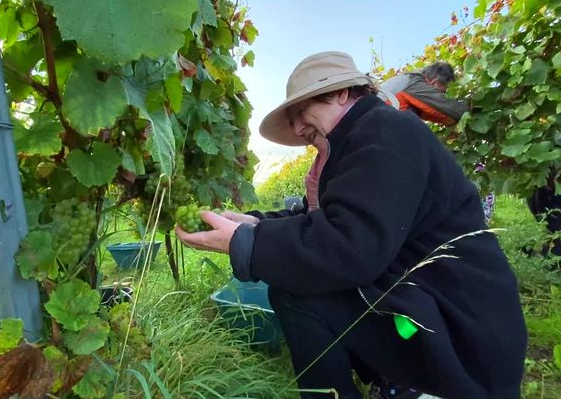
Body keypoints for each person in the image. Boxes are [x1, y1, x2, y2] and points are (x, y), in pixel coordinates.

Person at [176, 51, 527, 399]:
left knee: (299, 292)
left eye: (301, 113)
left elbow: (349, 248)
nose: (298, 129)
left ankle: (409, 385)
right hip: (435, 311)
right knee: (304, 280)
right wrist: (253, 223)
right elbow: (325, 220)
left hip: (463, 340)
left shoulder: (386, 131)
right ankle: (395, 381)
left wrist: (245, 242)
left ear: (342, 93)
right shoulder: (359, 142)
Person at [380, 62, 496, 224]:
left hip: (382, 139)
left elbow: (435, 114)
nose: (443, 94)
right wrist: (487, 104)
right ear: (434, 82)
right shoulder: (414, 83)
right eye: (444, 90)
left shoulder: (404, 82)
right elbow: (450, 108)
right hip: (384, 139)